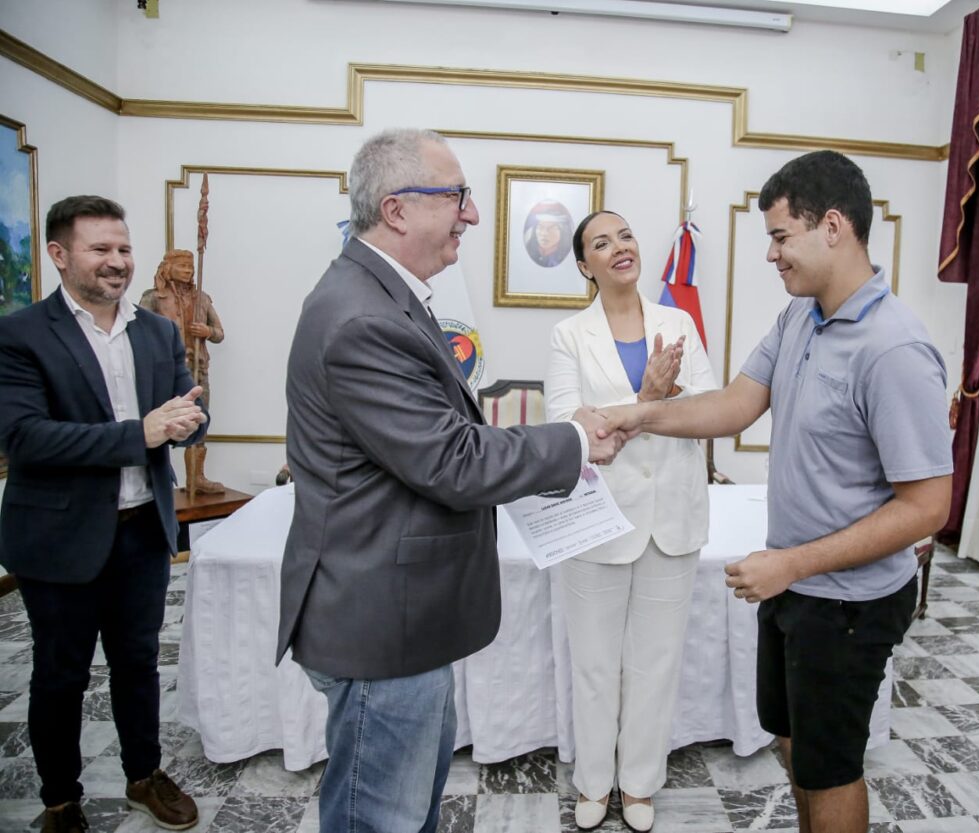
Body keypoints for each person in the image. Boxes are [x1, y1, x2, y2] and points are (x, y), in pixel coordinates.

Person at [278, 129, 625, 833]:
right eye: (458, 197)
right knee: (382, 818)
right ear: (398, 209)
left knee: (411, 810)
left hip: (403, 617)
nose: (470, 215)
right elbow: (452, 460)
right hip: (380, 623)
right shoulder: (360, 316)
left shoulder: (383, 294)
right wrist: (578, 437)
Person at [597, 151, 953, 833]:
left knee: (832, 767)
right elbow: (735, 404)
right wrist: (638, 414)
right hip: (795, 588)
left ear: (834, 227)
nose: (771, 254)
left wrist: (791, 564)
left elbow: (926, 507)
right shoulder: (801, 317)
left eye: (781, 235)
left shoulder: (893, 348)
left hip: (848, 603)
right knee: (796, 748)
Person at [0, 195, 209, 833]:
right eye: (100, 249)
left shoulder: (157, 330)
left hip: (143, 531)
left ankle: (144, 774)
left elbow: (187, 418)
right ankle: (61, 799)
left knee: (139, 663)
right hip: (59, 537)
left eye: (122, 248)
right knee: (60, 675)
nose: (117, 262)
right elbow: (25, 438)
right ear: (60, 255)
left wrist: (190, 423)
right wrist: (140, 433)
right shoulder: (21, 334)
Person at [545, 211, 718, 833]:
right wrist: (649, 402)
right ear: (584, 265)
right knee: (594, 663)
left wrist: (632, 412)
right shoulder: (569, 335)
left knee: (656, 661)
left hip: (671, 514)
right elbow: (572, 425)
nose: (619, 247)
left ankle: (640, 784)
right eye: (601, 242)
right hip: (595, 519)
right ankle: (594, 782)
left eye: (624, 236)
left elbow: (707, 410)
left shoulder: (678, 323)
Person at [139, 248, 227, 494]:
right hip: (163, 370)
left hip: (197, 367)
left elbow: (219, 333)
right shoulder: (154, 298)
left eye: (190, 267)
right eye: (182, 267)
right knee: (156, 421)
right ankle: (153, 475)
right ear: (168, 268)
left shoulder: (202, 298)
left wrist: (207, 332)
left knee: (199, 419)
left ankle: (196, 478)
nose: (188, 271)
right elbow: (139, 332)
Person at [523, 199, 574, 267]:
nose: (544, 233)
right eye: (540, 227)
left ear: (563, 232)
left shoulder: (565, 256)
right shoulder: (530, 251)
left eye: (551, 228)